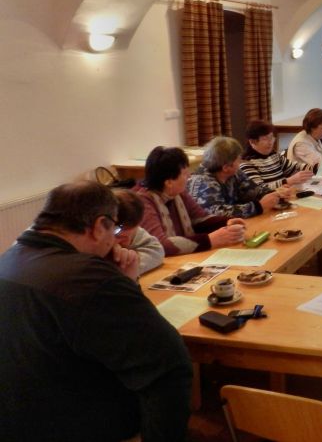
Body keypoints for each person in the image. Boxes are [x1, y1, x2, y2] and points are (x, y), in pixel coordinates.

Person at [0, 181, 193, 442]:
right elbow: (170, 364)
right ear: (99, 225)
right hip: (80, 424)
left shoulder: (8, 259)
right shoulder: (89, 279)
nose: (116, 239)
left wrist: (125, 281)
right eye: (115, 229)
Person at [137, 146, 247, 255]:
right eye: (185, 174)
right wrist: (209, 240)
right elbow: (160, 245)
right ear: (169, 182)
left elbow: (200, 219)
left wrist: (226, 222)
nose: (189, 176)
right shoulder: (142, 202)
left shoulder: (178, 193)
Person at [188, 136, 288, 218]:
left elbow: (253, 190)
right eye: (238, 159)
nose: (240, 162)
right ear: (226, 167)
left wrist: (275, 194)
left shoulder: (234, 173)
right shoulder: (203, 182)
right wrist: (259, 206)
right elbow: (218, 213)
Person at [240, 120, 314, 189]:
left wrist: (314, 168)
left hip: (285, 195)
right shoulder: (247, 163)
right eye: (265, 139)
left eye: (271, 137)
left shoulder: (274, 155)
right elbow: (259, 189)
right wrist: (288, 181)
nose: (270, 142)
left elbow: (294, 167)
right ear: (252, 142)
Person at [114, 188, 165, 274]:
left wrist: (132, 261)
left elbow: (157, 250)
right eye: (118, 236)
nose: (126, 242)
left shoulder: (134, 227)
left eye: (127, 237)